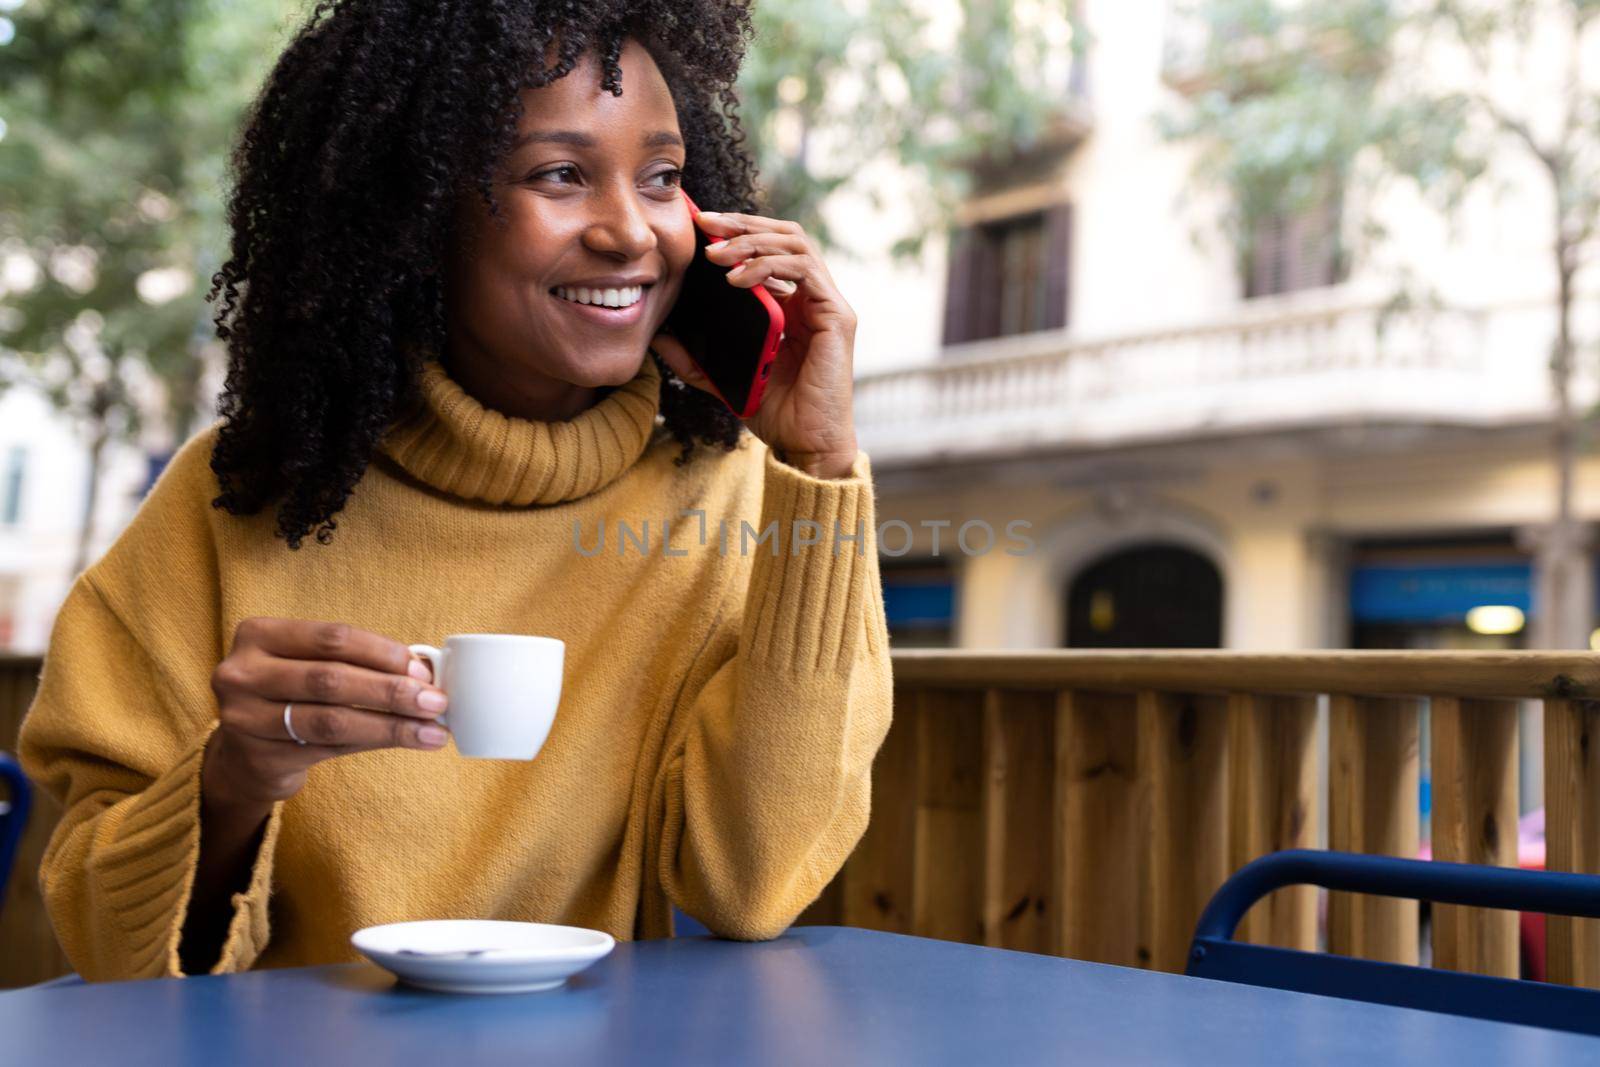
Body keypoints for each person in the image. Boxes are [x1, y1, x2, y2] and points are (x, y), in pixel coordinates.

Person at [17, 0, 893, 982]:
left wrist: (819, 466)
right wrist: (231, 782)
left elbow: (753, 886)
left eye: (662, 178)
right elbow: (103, 945)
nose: (629, 232)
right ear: (418, 211)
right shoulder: (229, 500)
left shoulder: (731, 495)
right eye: (558, 173)